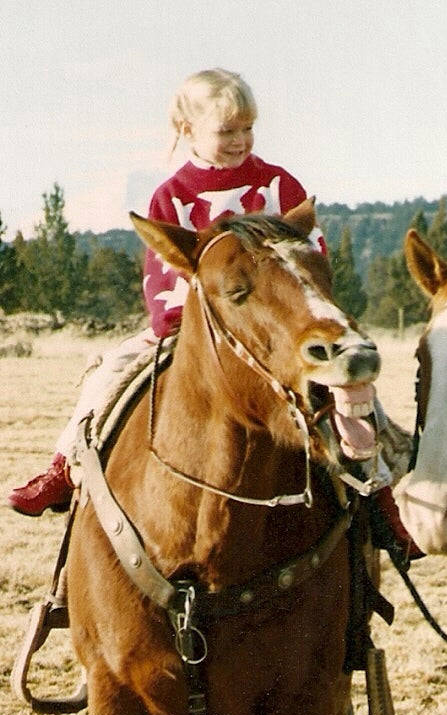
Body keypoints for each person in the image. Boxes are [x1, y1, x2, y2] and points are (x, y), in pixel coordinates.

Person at [7, 68, 418, 556]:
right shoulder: (172, 197)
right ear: (187, 130)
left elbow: (311, 255)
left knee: (348, 387)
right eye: (227, 131)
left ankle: (378, 498)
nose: (240, 140)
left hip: (274, 333)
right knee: (109, 375)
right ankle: (65, 465)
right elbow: (162, 278)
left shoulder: (277, 185)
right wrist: (186, 319)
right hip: (194, 330)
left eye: (248, 128)